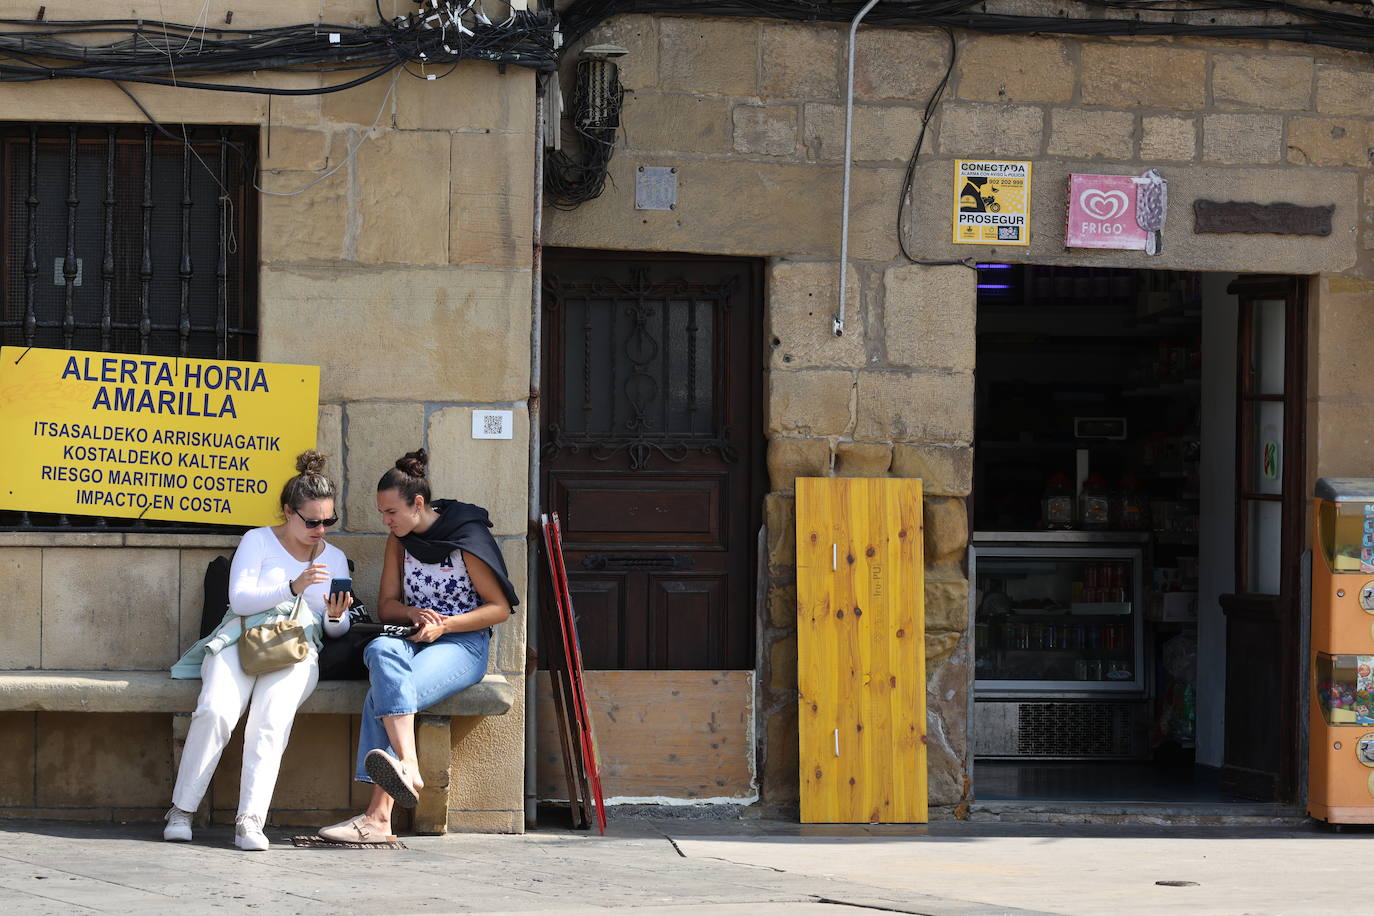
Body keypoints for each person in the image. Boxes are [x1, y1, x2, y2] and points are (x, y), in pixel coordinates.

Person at [318, 448, 517, 843]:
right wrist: (414, 614)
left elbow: (498, 609)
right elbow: (387, 606)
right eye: (382, 513)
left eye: (391, 512)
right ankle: (407, 764)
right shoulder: (400, 541)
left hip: (463, 644)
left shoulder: (465, 538)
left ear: (419, 504)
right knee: (377, 651)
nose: (386, 521)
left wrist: (444, 626)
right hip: (411, 638)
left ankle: (378, 818)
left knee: (383, 696)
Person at [166, 450, 353, 851]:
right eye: (312, 521)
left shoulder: (335, 558)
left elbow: (336, 629)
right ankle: (182, 810)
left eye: (328, 521)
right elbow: (240, 598)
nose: (321, 530)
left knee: (270, 722)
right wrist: (293, 586)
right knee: (215, 710)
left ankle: (250, 820)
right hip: (242, 638)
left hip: (297, 650)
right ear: (288, 512)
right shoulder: (257, 540)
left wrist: (337, 617)